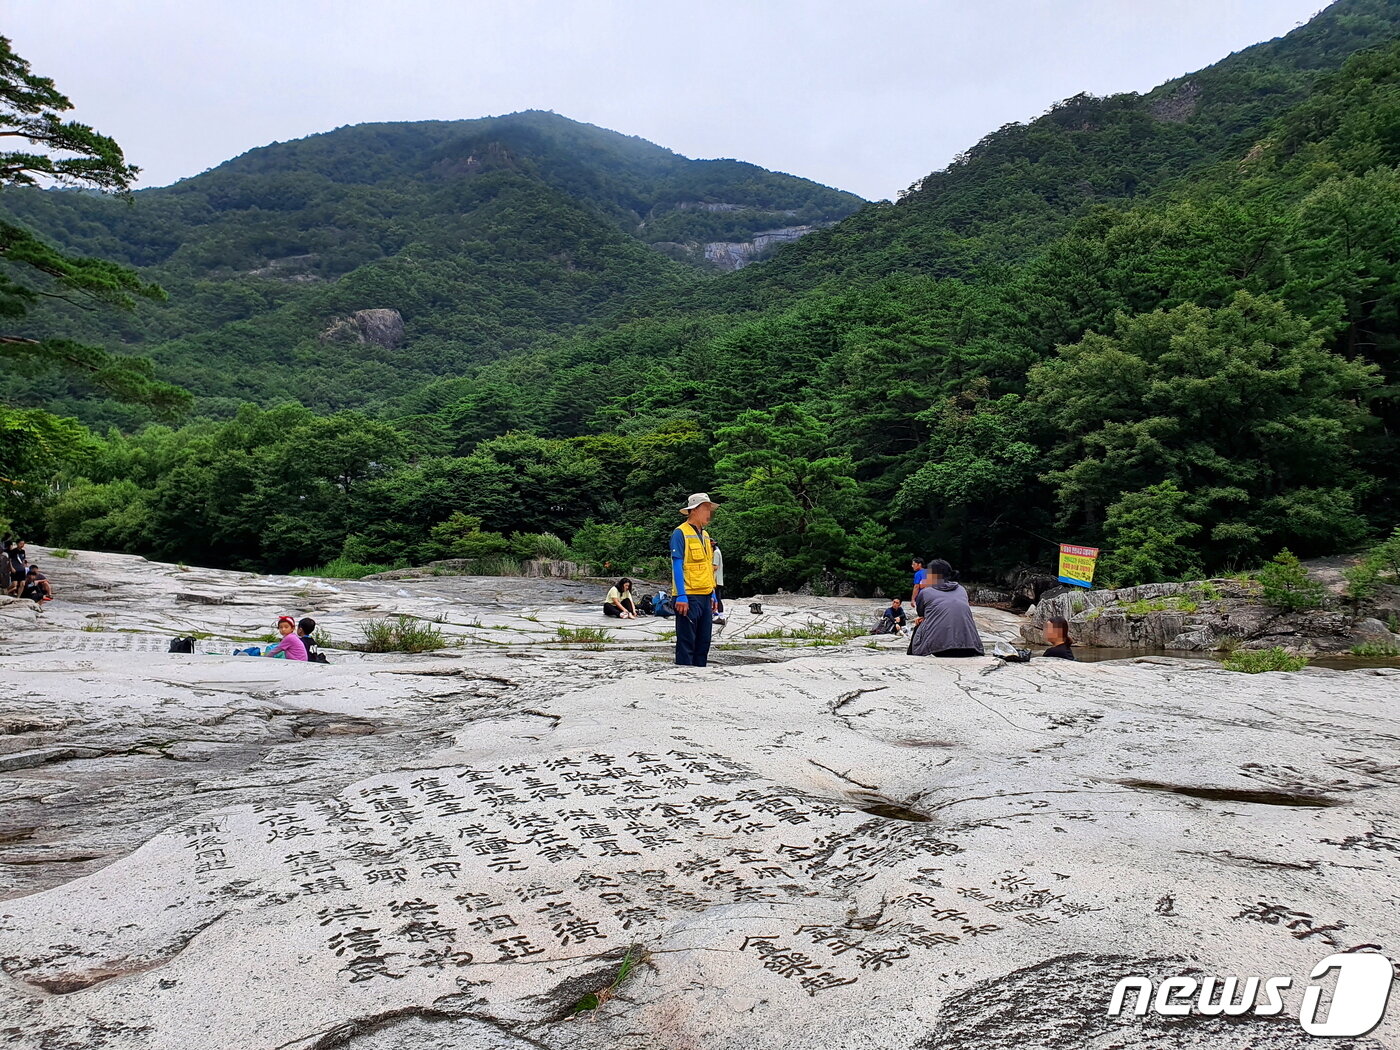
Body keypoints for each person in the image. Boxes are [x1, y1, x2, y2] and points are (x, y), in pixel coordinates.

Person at [671, 492, 719, 667]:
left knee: (703, 642)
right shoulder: (680, 533)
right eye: (706, 509)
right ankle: (684, 680)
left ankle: (700, 680)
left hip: (705, 595)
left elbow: (707, 565)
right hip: (689, 596)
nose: (709, 513)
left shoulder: (705, 535)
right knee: (686, 642)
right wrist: (681, 595)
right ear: (694, 510)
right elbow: (677, 565)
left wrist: (712, 592)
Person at [908, 559, 983, 658]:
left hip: (938, 648)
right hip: (970, 647)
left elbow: (921, 613)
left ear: (933, 576)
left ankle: (912, 656)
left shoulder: (925, 592)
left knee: (920, 622)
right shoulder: (961, 589)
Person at [712, 542, 726, 624]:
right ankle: (719, 615)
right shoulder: (718, 551)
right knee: (717, 597)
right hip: (718, 579)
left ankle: (721, 616)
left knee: (717, 597)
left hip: (716, 579)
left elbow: (715, 566)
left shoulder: (716, 552)